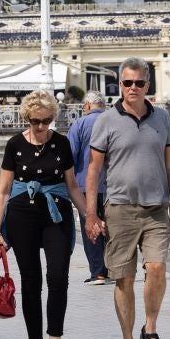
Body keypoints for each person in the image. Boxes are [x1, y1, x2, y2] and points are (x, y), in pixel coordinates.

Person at [85, 57, 170, 339]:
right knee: (124, 278)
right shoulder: (106, 121)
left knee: (156, 268)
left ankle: (150, 330)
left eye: (138, 83)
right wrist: (91, 213)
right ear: (120, 85)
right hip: (119, 210)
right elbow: (93, 169)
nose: (132, 88)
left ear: (147, 85)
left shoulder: (162, 119)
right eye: (127, 83)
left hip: (157, 208)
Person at [0, 91, 86, 339]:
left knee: (58, 276)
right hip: (22, 216)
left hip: (56, 214)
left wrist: (90, 216)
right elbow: (4, 190)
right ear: (27, 119)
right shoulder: (15, 145)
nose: (42, 127)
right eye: (36, 121)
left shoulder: (62, 144)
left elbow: (72, 186)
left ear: (53, 118)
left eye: (46, 121)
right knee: (31, 281)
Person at [67, 90, 109, 285]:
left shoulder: (80, 124)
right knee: (112, 225)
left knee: (90, 225)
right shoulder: (114, 120)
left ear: (88, 106)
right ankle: (114, 267)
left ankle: (98, 272)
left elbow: (70, 155)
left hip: (85, 184)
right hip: (113, 185)